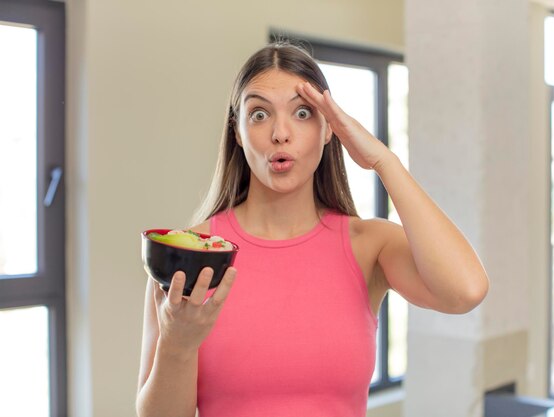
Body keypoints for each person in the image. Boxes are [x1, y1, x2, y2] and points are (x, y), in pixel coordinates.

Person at [136, 41, 489, 417]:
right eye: (259, 115)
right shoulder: (195, 254)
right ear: (236, 132)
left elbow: (465, 291)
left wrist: (385, 161)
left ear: (328, 129)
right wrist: (178, 345)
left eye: (303, 112)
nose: (280, 133)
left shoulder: (369, 246)